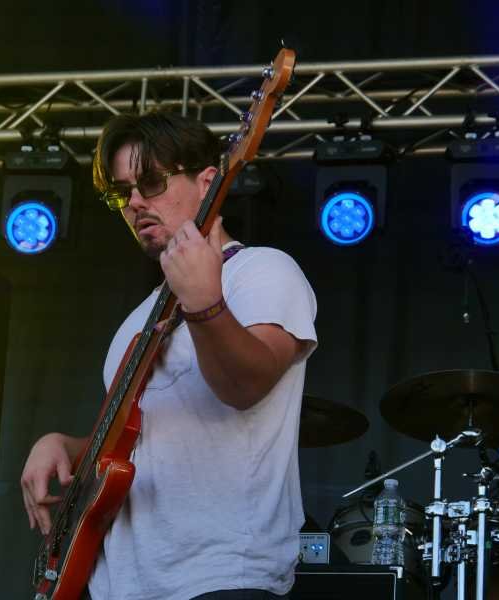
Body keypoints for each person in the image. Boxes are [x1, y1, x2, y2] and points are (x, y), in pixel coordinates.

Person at [20, 111, 318, 600]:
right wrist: (62, 444)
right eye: (122, 193)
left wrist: (205, 305)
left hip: (220, 576)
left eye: (152, 183)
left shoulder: (262, 271)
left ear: (207, 182)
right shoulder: (137, 319)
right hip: (121, 586)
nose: (135, 202)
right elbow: (132, 437)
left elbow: (246, 385)